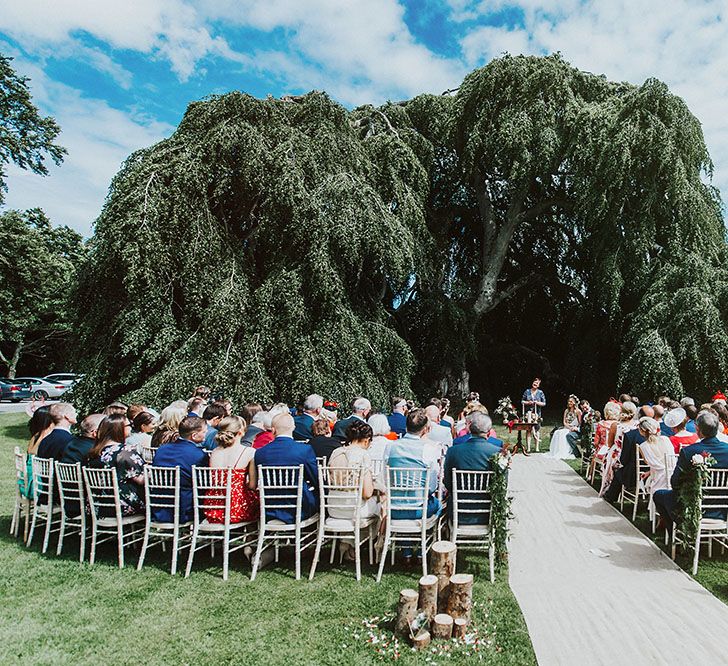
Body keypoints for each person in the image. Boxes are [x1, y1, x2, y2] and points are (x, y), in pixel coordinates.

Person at [653, 410, 728, 527]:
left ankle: (673, 531)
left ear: (698, 429)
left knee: (658, 495)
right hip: (720, 509)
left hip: (690, 507)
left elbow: (675, 482)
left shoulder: (689, 451)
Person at [386, 408, 441, 562]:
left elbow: (386, 477)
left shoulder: (390, 446)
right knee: (439, 505)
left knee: (408, 504)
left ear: (406, 427)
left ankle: (406, 551)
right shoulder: (428, 449)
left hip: (394, 509)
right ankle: (421, 550)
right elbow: (432, 486)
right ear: (425, 429)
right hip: (417, 510)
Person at [327, 420, 380, 559]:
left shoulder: (335, 452)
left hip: (332, 508)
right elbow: (367, 493)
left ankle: (347, 542)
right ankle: (375, 547)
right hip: (353, 509)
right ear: (367, 440)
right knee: (382, 505)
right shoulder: (363, 455)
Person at [254, 413, 319, 523]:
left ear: (273, 430)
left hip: (269, 508)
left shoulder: (260, 453)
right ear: (293, 428)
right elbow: (316, 479)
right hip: (299, 508)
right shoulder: (304, 450)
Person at [443, 412, 502, 525]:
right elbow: (500, 486)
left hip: (457, 510)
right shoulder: (497, 452)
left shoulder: (453, 451)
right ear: (489, 432)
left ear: (469, 429)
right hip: (487, 512)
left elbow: (447, 483)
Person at [151, 416, 209, 523]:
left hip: (159, 505)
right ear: (194, 436)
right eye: (204, 432)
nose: (206, 434)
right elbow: (205, 483)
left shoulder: (161, 449)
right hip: (184, 508)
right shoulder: (199, 455)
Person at [86, 414, 145, 516]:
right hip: (120, 506)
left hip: (97, 505)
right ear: (119, 429)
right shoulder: (125, 452)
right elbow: (141, 480)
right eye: (129, 425)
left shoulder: (94, 452)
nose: (131, 427)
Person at [205, 416, 259, 524]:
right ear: (240, 432)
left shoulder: (215, 452)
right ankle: (251, 535)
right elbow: (253, 485)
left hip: (213, 506)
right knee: (257, 500)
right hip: (235, 507)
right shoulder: (249, 452)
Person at [603, 405, 653, 502]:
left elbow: (623, 460)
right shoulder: (659, 435)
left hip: (635, 475)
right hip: (654, 472)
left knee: (618, 472)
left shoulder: (630, 435)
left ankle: (610, 496)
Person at [599, 401, 638, 496]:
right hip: (632, 455)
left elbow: (610, 443)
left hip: (618, 453)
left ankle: (609, 488)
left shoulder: (616, 425)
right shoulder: (638, 424)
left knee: (610, 458)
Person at [21, 407, 54, 500]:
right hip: (37, 482)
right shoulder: (41, 435)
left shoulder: (37, 435)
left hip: (31, 477)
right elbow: (32, 453)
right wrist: (42, 436)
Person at [638, 417, 675, 492]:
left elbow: (650, 463)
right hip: (673, 475)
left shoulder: (643, 446)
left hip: (658, 480)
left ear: (642, 431)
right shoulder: (666, 439)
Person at [547, 395, 581, 459]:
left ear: (574, 403)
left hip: (573, 428)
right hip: (567, 427)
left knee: (563, 433)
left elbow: (580, 423)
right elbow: (564, 422)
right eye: (569, 401)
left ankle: (566, 451)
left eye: (571, 402)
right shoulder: (566, 411)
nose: (569, 403)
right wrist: (568, 427)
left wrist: (574, 428)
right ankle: (557, 451)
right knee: (557, 432)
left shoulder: (578, 412)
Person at [521, 378, 546, 450]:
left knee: (537, 429)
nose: (535, 384)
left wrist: (537, 403)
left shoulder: (540, 392)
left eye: (537, 383)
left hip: (537, 413)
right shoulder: (527, 391)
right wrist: (528, 402)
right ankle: (528, 448)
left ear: (538, 385)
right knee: (528, 429)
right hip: (528, 414)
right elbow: (522, 401)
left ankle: (536, 448)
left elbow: (544, 403)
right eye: (534, 382)